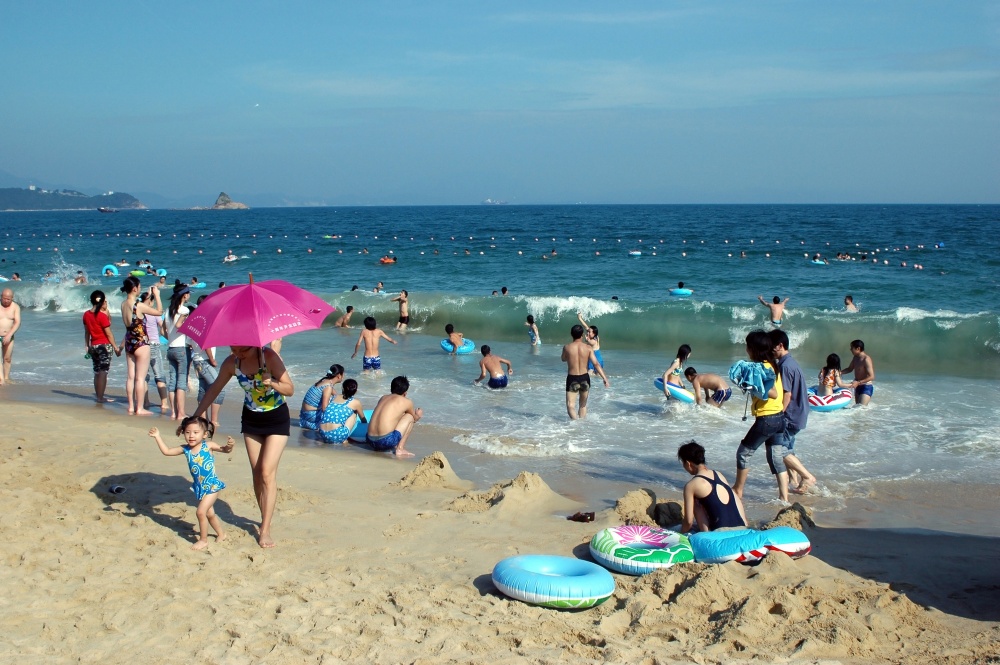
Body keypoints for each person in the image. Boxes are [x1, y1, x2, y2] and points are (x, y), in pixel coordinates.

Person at [193, 345, 294, 548]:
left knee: (267, 472)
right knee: (257, 473)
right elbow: (215, 388)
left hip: (277, 417)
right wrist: (196, 416)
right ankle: (264, 515)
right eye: (234, 349)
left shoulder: (269, 357)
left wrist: (272, 382)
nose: (238, 354)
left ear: (253, 344)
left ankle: (265, 530)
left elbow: (289, 389)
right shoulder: (232, 363)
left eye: (243, 351)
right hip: (251, 419)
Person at [149, 419, 235, 550]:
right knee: (209, 514)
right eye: (188, 432)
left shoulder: (209, 446)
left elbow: (225, 450)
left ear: (205, 434)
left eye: (195, 432)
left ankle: (203, 540)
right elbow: (166, 451)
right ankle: (221, 534)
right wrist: (157, 437)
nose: (191, 436)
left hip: (212, 486)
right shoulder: (186, 449)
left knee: (200, 512)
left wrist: (230, 445)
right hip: (200, 487)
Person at [732, 330, 791, 502]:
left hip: (767, 419)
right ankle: (784, 498)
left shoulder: (762, 368)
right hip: (779, 417)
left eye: (747, 346)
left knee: (743, 453)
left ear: (754, 349)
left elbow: (771, 393)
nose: (746, 349)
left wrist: (753, 386)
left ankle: (738, 490)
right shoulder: (773, 364)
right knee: (775, 458)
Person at [768, 329, 817, 496]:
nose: (770, 350)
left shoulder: (785, 366)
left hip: (791, 414)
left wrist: (779, 413)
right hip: (799, 412)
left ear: (780, 345)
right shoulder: (791, 362)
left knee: (780, 451)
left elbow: (787, 394)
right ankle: (794, 481)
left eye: (771, 347)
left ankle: (807, 476)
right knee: (788, 448)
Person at [677, 441, 747, 532]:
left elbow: (689, 521)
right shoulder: (719, 475)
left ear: (688, 463)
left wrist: (681, 534)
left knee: (695, 502)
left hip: (720, 534)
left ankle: (706, 533)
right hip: (742, 529)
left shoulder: (691, 485)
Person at [120, 277, 162, 414]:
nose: (140, 288)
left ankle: (131, 406)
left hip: (129, 342)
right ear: (135, 288)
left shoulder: (123, 304)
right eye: (139, 286)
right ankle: (140, 408)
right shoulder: (138, 306)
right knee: (140, 378)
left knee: (130, 377)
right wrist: (157, 296)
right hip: (141, 343)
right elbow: (159, 312)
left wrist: (149, 295)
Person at [561, 324, 610, 419]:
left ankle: (575, 423)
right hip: (585, 378)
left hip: (572, 378)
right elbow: (596, 364)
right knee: (583, 405)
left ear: (571, 334)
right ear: (582, 335)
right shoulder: (588, 348)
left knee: (570, 405)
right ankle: (581, 426)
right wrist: (605, 378)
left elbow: (563, 359)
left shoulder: (567, 347)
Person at [366, 375, 422, 457]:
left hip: (370, 441)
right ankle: (400, 449)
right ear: (405, 393)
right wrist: (418, 414)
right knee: (409, 416)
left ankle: (387, 447)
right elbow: (414, 419)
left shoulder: (383, 398)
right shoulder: (406, 401)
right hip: (385, 441)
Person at [82, 290, 121, 403]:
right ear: (103, 301)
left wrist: (87, 345)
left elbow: (87, 332)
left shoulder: (86, 315)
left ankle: (98, 396)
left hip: (93, 345)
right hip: (104, 346)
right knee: (104, 371)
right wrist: (115, 347)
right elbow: (109, 333)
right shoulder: (102, 316)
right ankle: (100, 397)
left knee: (97, 371)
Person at [138, 291, 169, 414]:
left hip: (142, 345)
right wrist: (169, 337)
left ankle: (145, 401)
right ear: (150, 301)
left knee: (144, 376)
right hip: (154, 346)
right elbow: (162, 327)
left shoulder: (139, 312)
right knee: (159, 374)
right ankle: (164, 403)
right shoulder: (153, 313)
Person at [165, 285, 193, 420]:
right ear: (184, 295)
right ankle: (181, 413)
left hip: (170, 348)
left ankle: (173, 412)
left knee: (172, 381)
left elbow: (165, 331)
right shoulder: (185, 310)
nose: (189, 296)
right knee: (181, 381)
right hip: (181, 348)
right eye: (188, 293)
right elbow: (179, 326)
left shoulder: (168, 310)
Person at [318, 378, 366, 444]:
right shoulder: (355, 402)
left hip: (322, 433)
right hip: (337, 435)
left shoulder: (334, 397)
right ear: (356, 390)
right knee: (354, 413)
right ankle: (343, 439)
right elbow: (363, 420)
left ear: (342, 388)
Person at [299, 364, 344, 430]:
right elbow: (324, 408)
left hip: (305, 414)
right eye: (343, 375)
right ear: (339, 376)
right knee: (331, 400)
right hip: (312, 416)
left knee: (333, 398)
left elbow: (336, 395)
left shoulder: (324, 381)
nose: (343, 377)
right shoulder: (328, 387)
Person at [842, 339, 876, 406]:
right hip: (857, 386)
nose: (850, 349)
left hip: (866, 386)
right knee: (857, 408)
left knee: (860, 408)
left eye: (852, 348)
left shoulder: (866, 359)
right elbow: (849, 369)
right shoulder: (855, 357)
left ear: (858, 348)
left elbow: (872, 376)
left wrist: (858, 382)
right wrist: (839, 373)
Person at [0, 288, 22, 385]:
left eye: (8, 299)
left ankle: (6, 377)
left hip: (9, 336)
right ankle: (1, 379)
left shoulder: (15, 307)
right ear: (1, 297)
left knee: (7, 359)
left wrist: (9, 335)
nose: (6, 301)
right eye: (4, 298)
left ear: (12, 298)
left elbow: (17, 322)